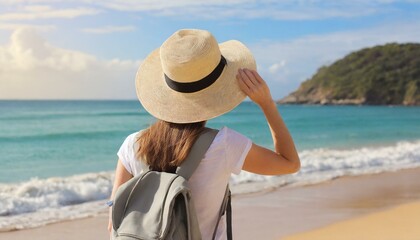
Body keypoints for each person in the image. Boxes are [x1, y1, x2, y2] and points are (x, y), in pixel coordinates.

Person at [108, 29, 300, 240]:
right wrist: (267, 104)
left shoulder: (132, 144)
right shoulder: (223, 144)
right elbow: (289, 163)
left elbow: (115, 223)